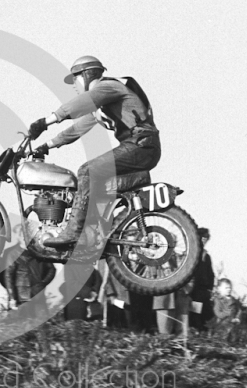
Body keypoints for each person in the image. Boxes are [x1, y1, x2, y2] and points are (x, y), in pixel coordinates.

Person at [28, 55, 160, 250]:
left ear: (87, 75)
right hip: (138, 147)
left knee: (87, 171)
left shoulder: (108, 87)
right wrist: (46, 145)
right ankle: (95, 232)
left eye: (75, 78)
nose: (73, 84)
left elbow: (79, 104)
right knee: (95, 181)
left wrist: (45, 122)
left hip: (140, 145)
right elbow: (76, 130)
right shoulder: (101, 106)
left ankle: (73, 232)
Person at [4, 248, 56, 318]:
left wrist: (43, 282)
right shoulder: (13, 253)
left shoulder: (41, 251)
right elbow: (8, 276)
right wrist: (12, 297)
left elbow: (51, 269)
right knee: (27, 322)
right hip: (23, 295)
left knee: (40, 321)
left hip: (31, 293)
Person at [190, 227, 215, 331]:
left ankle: (203, 329)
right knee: (195, 311)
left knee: (206, 311)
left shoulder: (206, 255)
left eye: (206, 238)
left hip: (204, 288)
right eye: (202, 237)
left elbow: (210, 273)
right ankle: (196, 328)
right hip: (195, 287)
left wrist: (210, 287)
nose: (204, 240)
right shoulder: (192, 253)